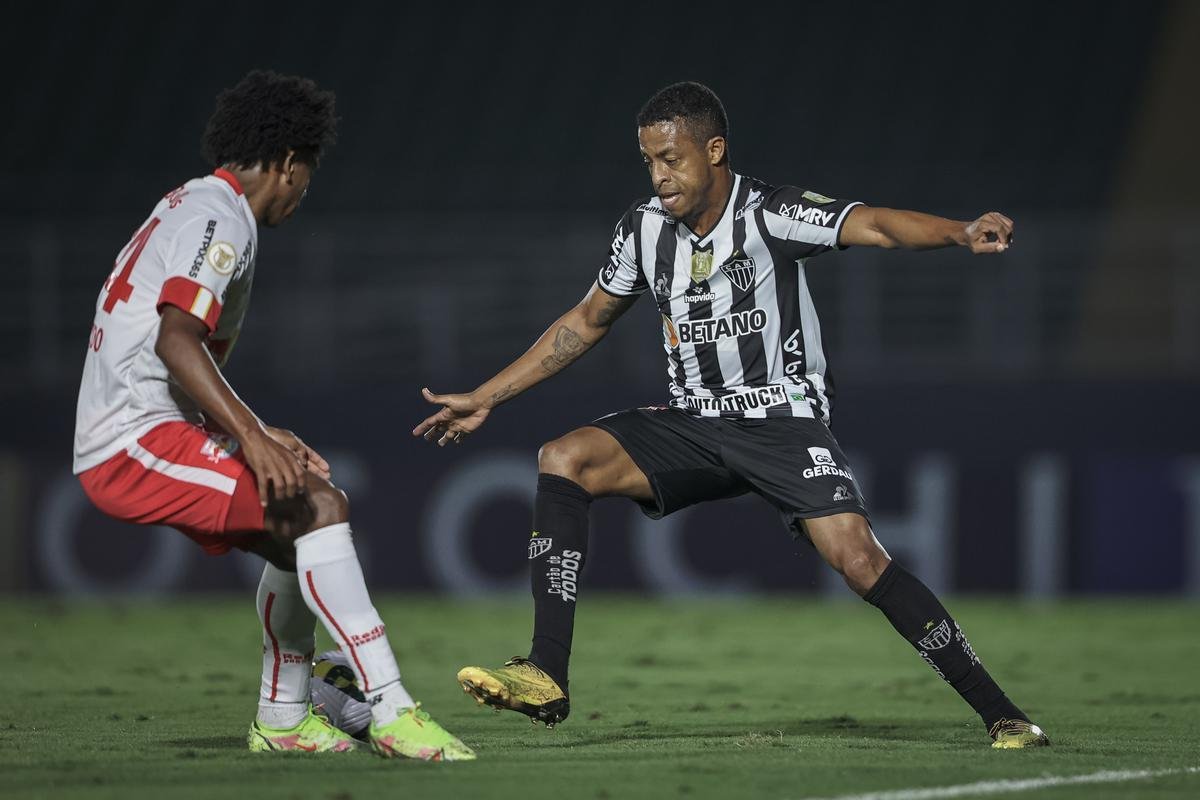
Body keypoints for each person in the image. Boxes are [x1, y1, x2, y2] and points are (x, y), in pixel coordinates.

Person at [414, 81, 1048, 749]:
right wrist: (486, 395)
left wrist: (958, 232)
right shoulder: (642, 229)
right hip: (693, 423)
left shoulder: (771, 212)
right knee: (562, 457)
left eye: (671, 159)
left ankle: (1002, 713)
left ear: (713, 151)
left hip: (781, 420)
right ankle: (546, 672)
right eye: (649, 162)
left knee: (857, 559)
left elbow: (877, 224)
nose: (659, 178)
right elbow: (586, 320)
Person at [73, 70, 473, 761]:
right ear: (288, 164)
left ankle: (285, 718)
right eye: (307, 176)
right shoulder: (219, 217)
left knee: (300, 523)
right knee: (321, 508)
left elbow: (177, 347)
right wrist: (250, 435)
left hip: (146, 428)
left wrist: (252, 430)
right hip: (128, 441)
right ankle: (391, 707)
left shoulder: (196, 206)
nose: (304, 192)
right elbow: (176, 339)